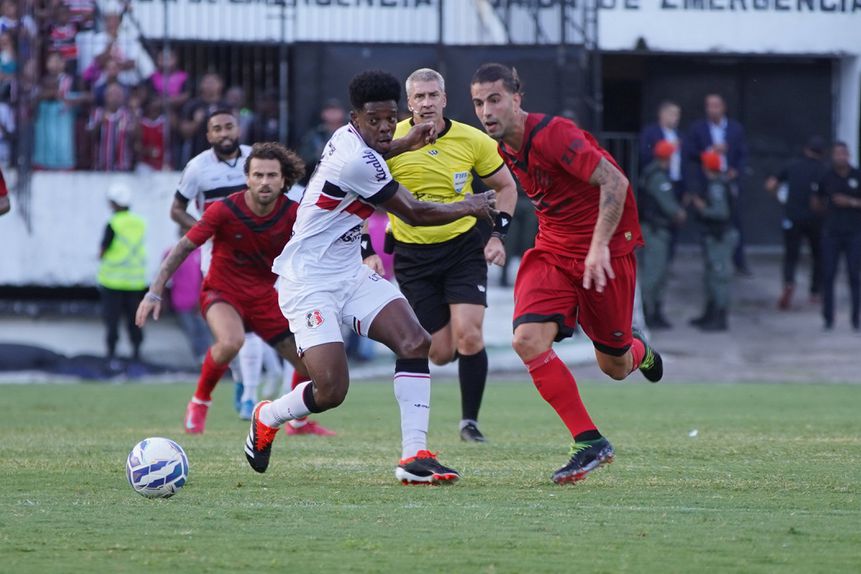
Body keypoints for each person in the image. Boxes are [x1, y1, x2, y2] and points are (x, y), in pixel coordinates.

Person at [245, 70, 496, 484]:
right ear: (354, 117)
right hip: (309, 282)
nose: (384, 127)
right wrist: (470, 205)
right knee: (331, 391)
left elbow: (378, 155)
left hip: (349, 272)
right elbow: (413, 211)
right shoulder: (354, 157)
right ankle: (268, 414)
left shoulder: (358, 142)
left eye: (390, 118)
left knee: (416, 341)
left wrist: (402, 143)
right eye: (374, 120)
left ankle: (415, 456)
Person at [469, 63, 662, 485]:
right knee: (525, 339)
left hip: (605, 252)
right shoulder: (496, 148)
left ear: (517, 98)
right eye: (479, 103)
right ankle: (588, 440)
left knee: (613, 365)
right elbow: (506, 189)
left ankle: (637, 350)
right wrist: (497, 235)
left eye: (495, 99)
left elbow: (616, 183)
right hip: (553, 250)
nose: (486, 111)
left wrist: (596, 248)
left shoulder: (554, 134)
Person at [137, 142, 325, 435]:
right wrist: (154, 291)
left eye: (272, 176)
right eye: (258, 175)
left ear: (284, 179)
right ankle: (199, 402)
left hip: (264, 297)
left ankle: (297, 423)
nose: (264, 182)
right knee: (231, 342)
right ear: (247, 178)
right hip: (221, 292)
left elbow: (316, 250)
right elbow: (185, 246)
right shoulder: (224, 209)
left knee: (309, 366)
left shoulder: (294, 215)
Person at [385, 68, 517, 442]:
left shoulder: (472, 140)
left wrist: (497, 237)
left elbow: (506, 187)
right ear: (409, 104)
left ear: (444, 99)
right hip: (413, 257)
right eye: (419, 97)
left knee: (470, 336)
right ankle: (457, 359)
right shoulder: (390, 142)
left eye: (433, 96)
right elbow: (363, 197)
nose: (427, 103)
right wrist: (366, 251)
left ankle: (469, 424)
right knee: (441, 352)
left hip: (462, 250)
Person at [170, 108, 266, 421]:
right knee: (230, 329)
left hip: (258, 251)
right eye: (217, 129)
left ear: (238, 129)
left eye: (229, 127)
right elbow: (176, 209)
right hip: (217, 255)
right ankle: (241, 380)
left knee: (252, 324)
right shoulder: (197, 168)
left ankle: (250, 396)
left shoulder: (256, 159)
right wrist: (202, 230)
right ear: (208, 135)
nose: (224, 133)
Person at [686, 93, 749, 275]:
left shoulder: (735, 129)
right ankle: (711, 261)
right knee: (708, 220)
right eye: (709, 106)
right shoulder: (698, 128)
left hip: (727, 180)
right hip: (708, 180)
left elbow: (743, 154)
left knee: (734, 219)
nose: (712, 109)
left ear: (723, 107)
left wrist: (736, 170)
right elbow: (690, 152)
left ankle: (739, 262)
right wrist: (709, 152)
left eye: (716, 106)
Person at [764, 136, 827, 310]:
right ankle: (815, 292)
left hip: (793, 216)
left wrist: (777, 196)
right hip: (816, 219)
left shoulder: (792, 166)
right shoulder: (824, 170)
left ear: (806, 150)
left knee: (791, 256)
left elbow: (770, 185)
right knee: (818, 256)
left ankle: (789, 284)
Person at [638, 140, 686, 329]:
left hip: (657, 230)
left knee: (659, 272)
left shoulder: (654, 173)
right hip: (655, 231)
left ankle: (655, 311)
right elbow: (669, 205)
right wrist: (679, 213)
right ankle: (648, 313)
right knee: (654, 273)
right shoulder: (658, 177)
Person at [688, 151, 738, 332]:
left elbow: (720, 212)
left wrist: (703, 208)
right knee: (710, 277)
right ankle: (710, 314)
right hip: (714, 237)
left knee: (719, 277)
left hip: (720, 237)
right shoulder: (718, 183)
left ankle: (720, 318)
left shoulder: (717, 186)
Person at [99, 182, 147, 364]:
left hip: (112, 281)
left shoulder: (113, 223)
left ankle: (111, 354)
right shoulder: (140, 222)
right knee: (135, 319)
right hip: (135, 281)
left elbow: (103, 249)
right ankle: (137, 352)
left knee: (112, 320)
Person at [816, 142, 861, 331]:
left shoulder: (857, 176)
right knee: (828, 275)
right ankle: (828, 318)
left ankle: (855, 318)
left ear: (848, 155)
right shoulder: (826, 177)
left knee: (854, 275)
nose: (840, 157)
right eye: (837, 154)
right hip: (831, 233)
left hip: (854, 233)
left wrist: (850, 202)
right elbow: (816, 201)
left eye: (843, 153)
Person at [298, 98, 346, 184]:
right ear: (323, 114)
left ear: (342, 112)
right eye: (329, 110)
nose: (332, 113)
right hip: (319, 179)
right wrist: (317, 156)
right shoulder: (315, 135)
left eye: (335, 109)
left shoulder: (350, 133)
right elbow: (303, 158)